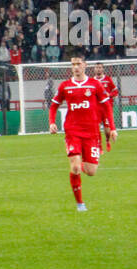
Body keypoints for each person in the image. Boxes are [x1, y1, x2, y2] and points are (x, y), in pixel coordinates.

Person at [48, 53, 116, 211]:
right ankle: (80, 204)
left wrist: (112, 128)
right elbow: (54, 105)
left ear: (85, 65)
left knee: (91, 171)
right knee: (76, 167)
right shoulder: (65, 86)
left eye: (78, 64)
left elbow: (107, 107)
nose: (76, 67)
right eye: (73, 64)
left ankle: (83, 162)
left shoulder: (94, 85)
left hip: (92, 133)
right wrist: (52, 122)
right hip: (72, 131)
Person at [91, 62, 119, 149]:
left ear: (102, 69)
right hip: (95, 108)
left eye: (100, 67)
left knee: (107, 129)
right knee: (96, 128)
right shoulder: (92, 81)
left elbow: (116, 91)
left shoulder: (108, 79)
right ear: (94, 69)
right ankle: (99, 145)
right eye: (97, 67)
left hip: (106, 108)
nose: (98, 69)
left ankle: (107, 141)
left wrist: (109, 95)